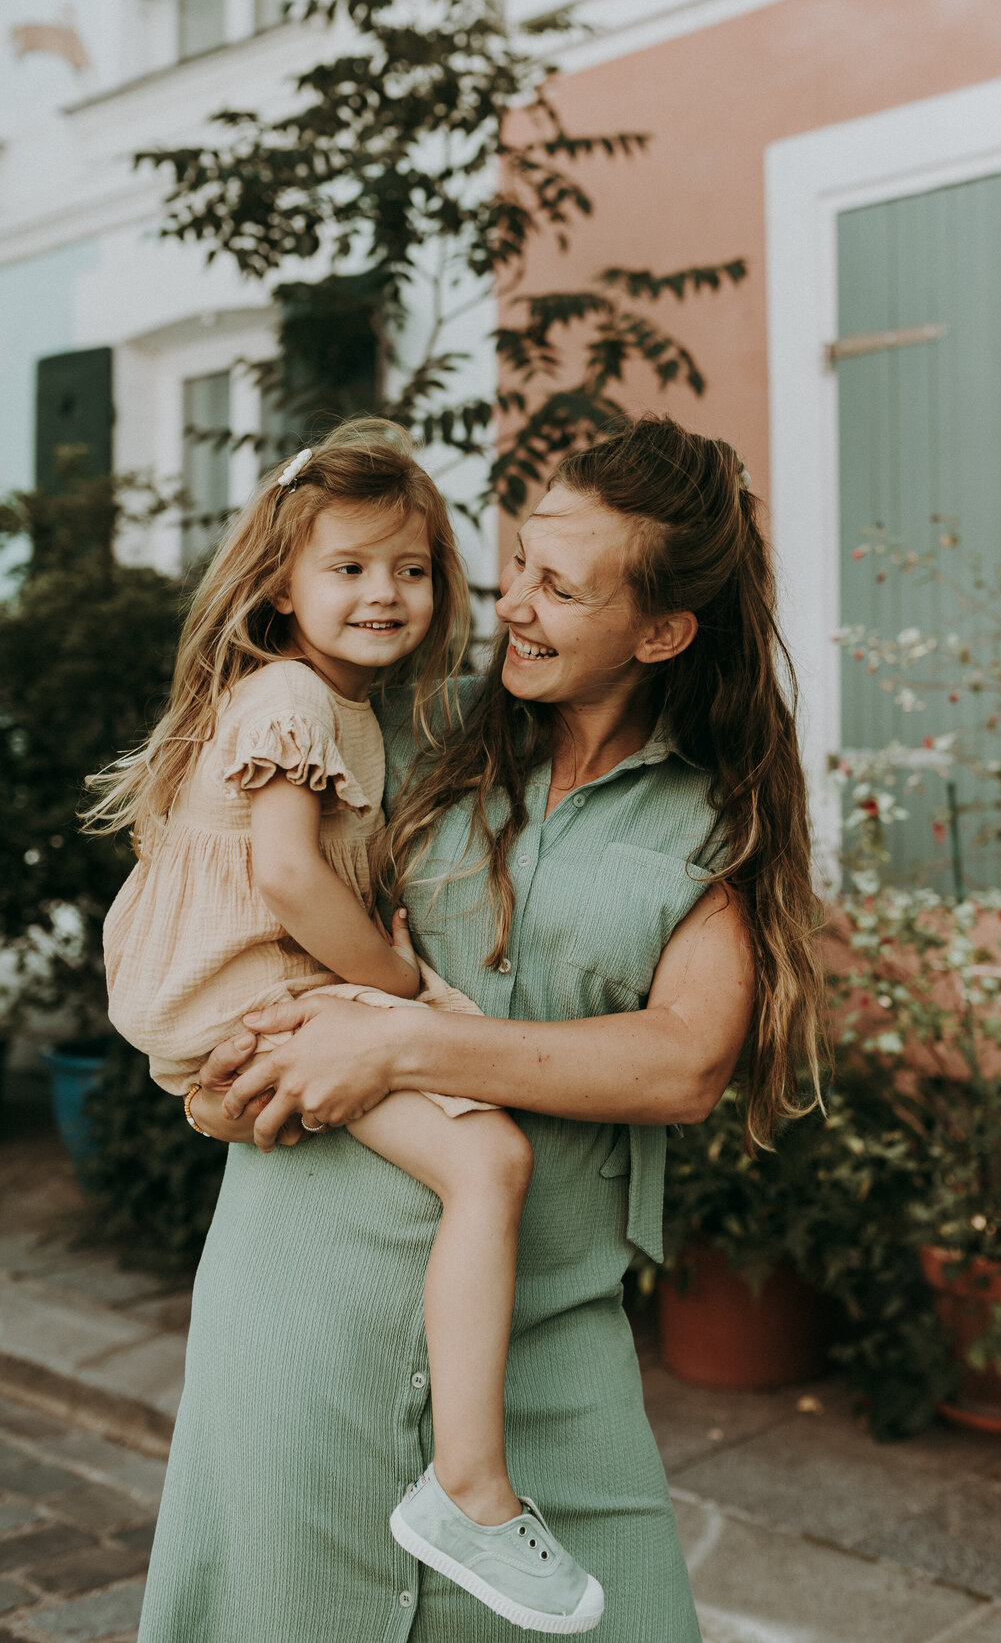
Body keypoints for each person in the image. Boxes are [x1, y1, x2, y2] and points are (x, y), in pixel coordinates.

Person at [135, 415, 826, 1643]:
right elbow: (238, 888)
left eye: (563, 588)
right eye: (522, 568)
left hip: (544, 1344)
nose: (517, 605)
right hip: (301, 1307)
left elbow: (683, 1062)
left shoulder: (711, 819)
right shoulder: (409, 723)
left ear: (661, 631)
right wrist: (215, 1062)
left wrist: (398, 1041)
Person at [87, 423, 604, 1632]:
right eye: (351, 568)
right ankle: (469, 1489)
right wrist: (400, 982)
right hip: (252, 986)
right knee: (492, 1157)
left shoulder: (345, 703)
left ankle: (464, 1479)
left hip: (252, 989)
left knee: (482, 1156)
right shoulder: (289, 695)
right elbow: (285, 878)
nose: (387, 592)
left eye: (412, 569)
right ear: (281, 584)